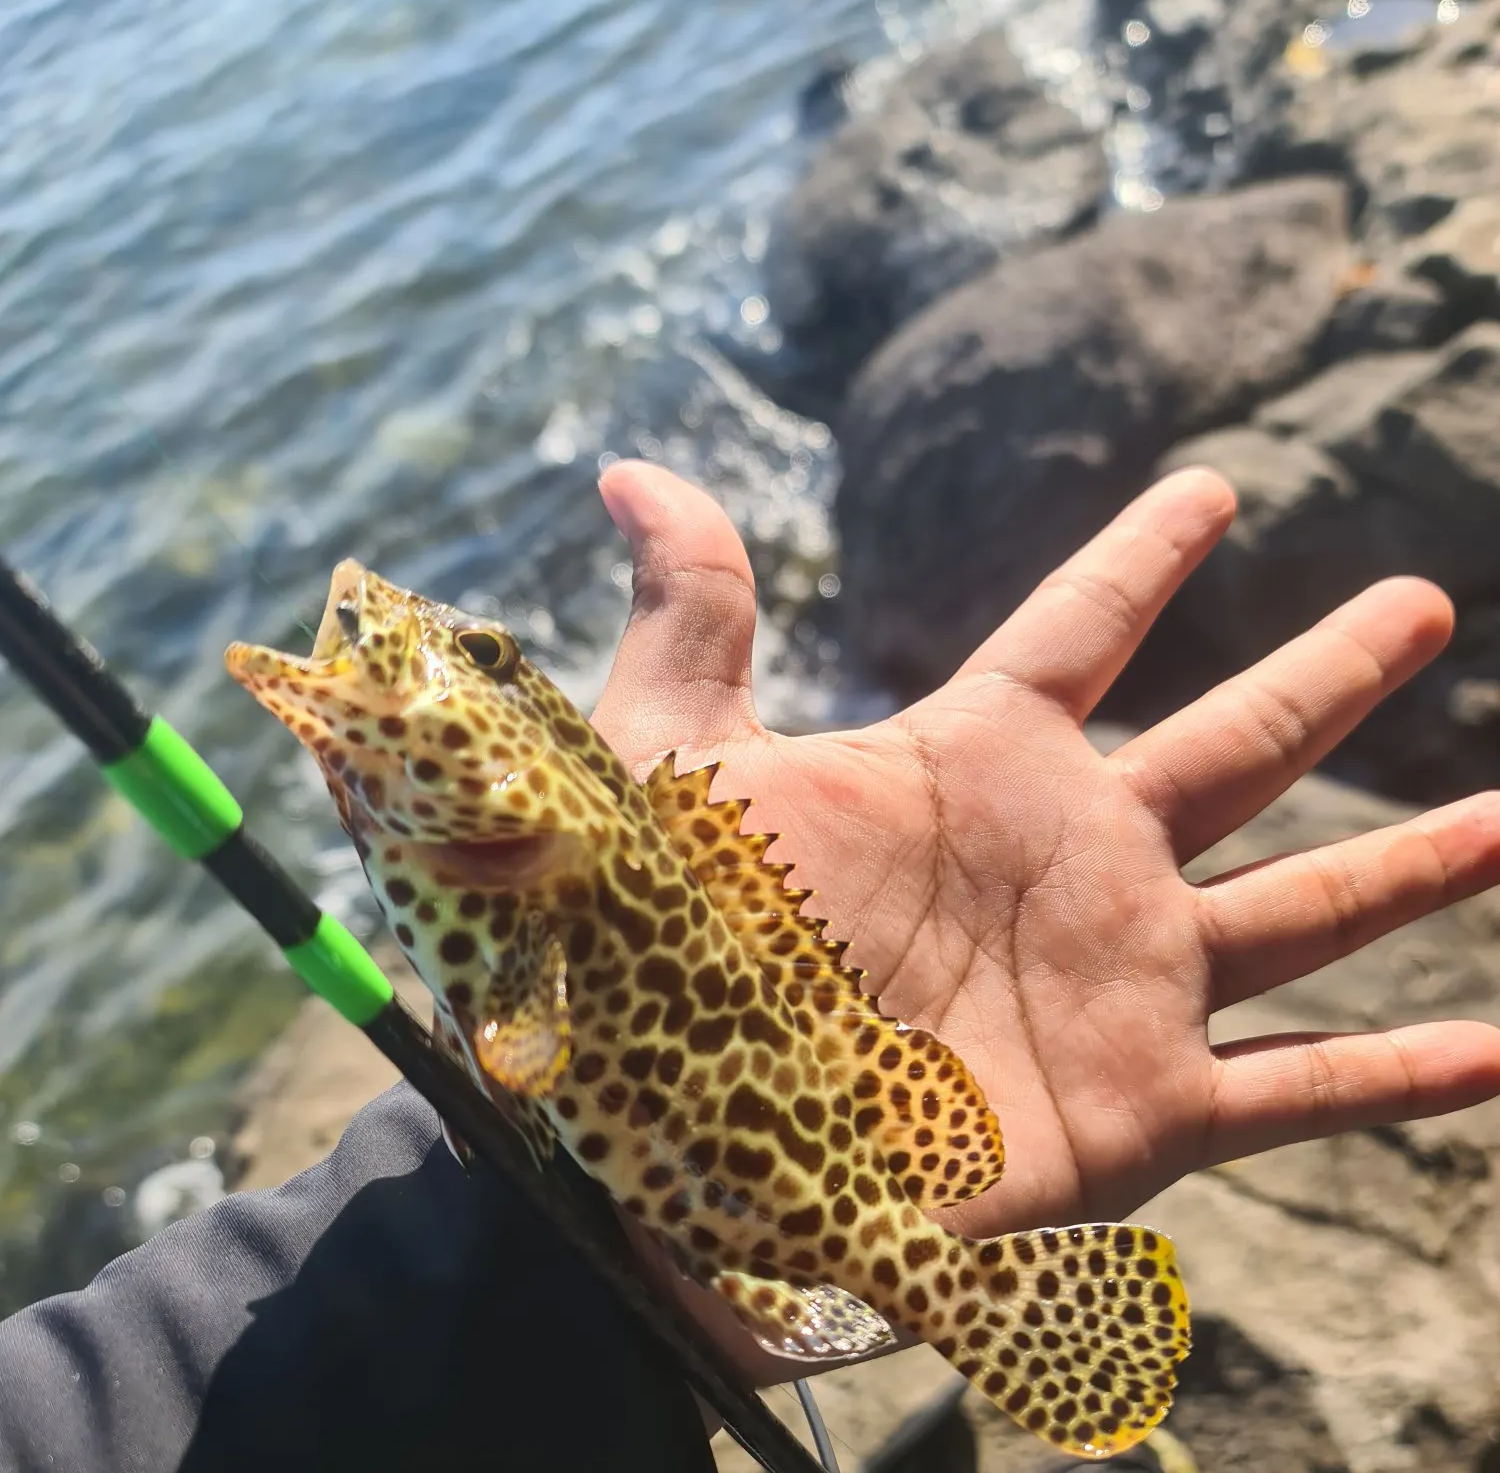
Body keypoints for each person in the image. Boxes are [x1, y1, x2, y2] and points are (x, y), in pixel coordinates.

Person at [1, 461, 1496, 1472]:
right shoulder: (516, 849)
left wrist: (524, 1262)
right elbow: (523, 1049)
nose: (424, 645)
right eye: (502, 666)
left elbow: (522, 1054)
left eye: (498, 662)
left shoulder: (520, 853)